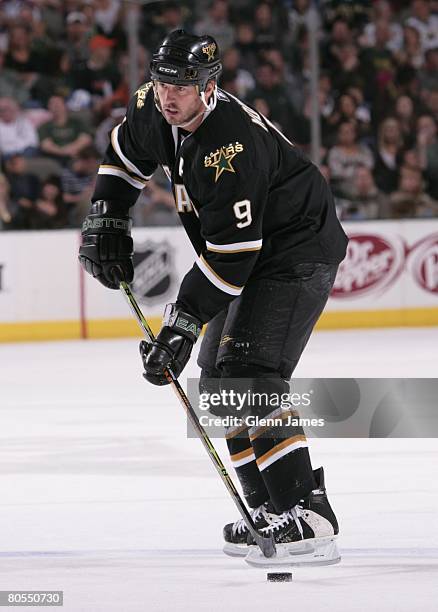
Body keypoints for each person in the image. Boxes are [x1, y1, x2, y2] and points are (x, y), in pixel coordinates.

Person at [78, 30, 348, 566]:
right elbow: (123, 154)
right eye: (161, 82)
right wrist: (107, 214)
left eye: (181, 85)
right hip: (247, 251)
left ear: (210, 86)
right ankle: (268, 513)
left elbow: (231, 258)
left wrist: (179, 324)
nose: (167, 95)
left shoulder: (230, 146)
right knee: (218, 381)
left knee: (249, 371)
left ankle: (310, 515)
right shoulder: (154, 108)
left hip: (294, 250)